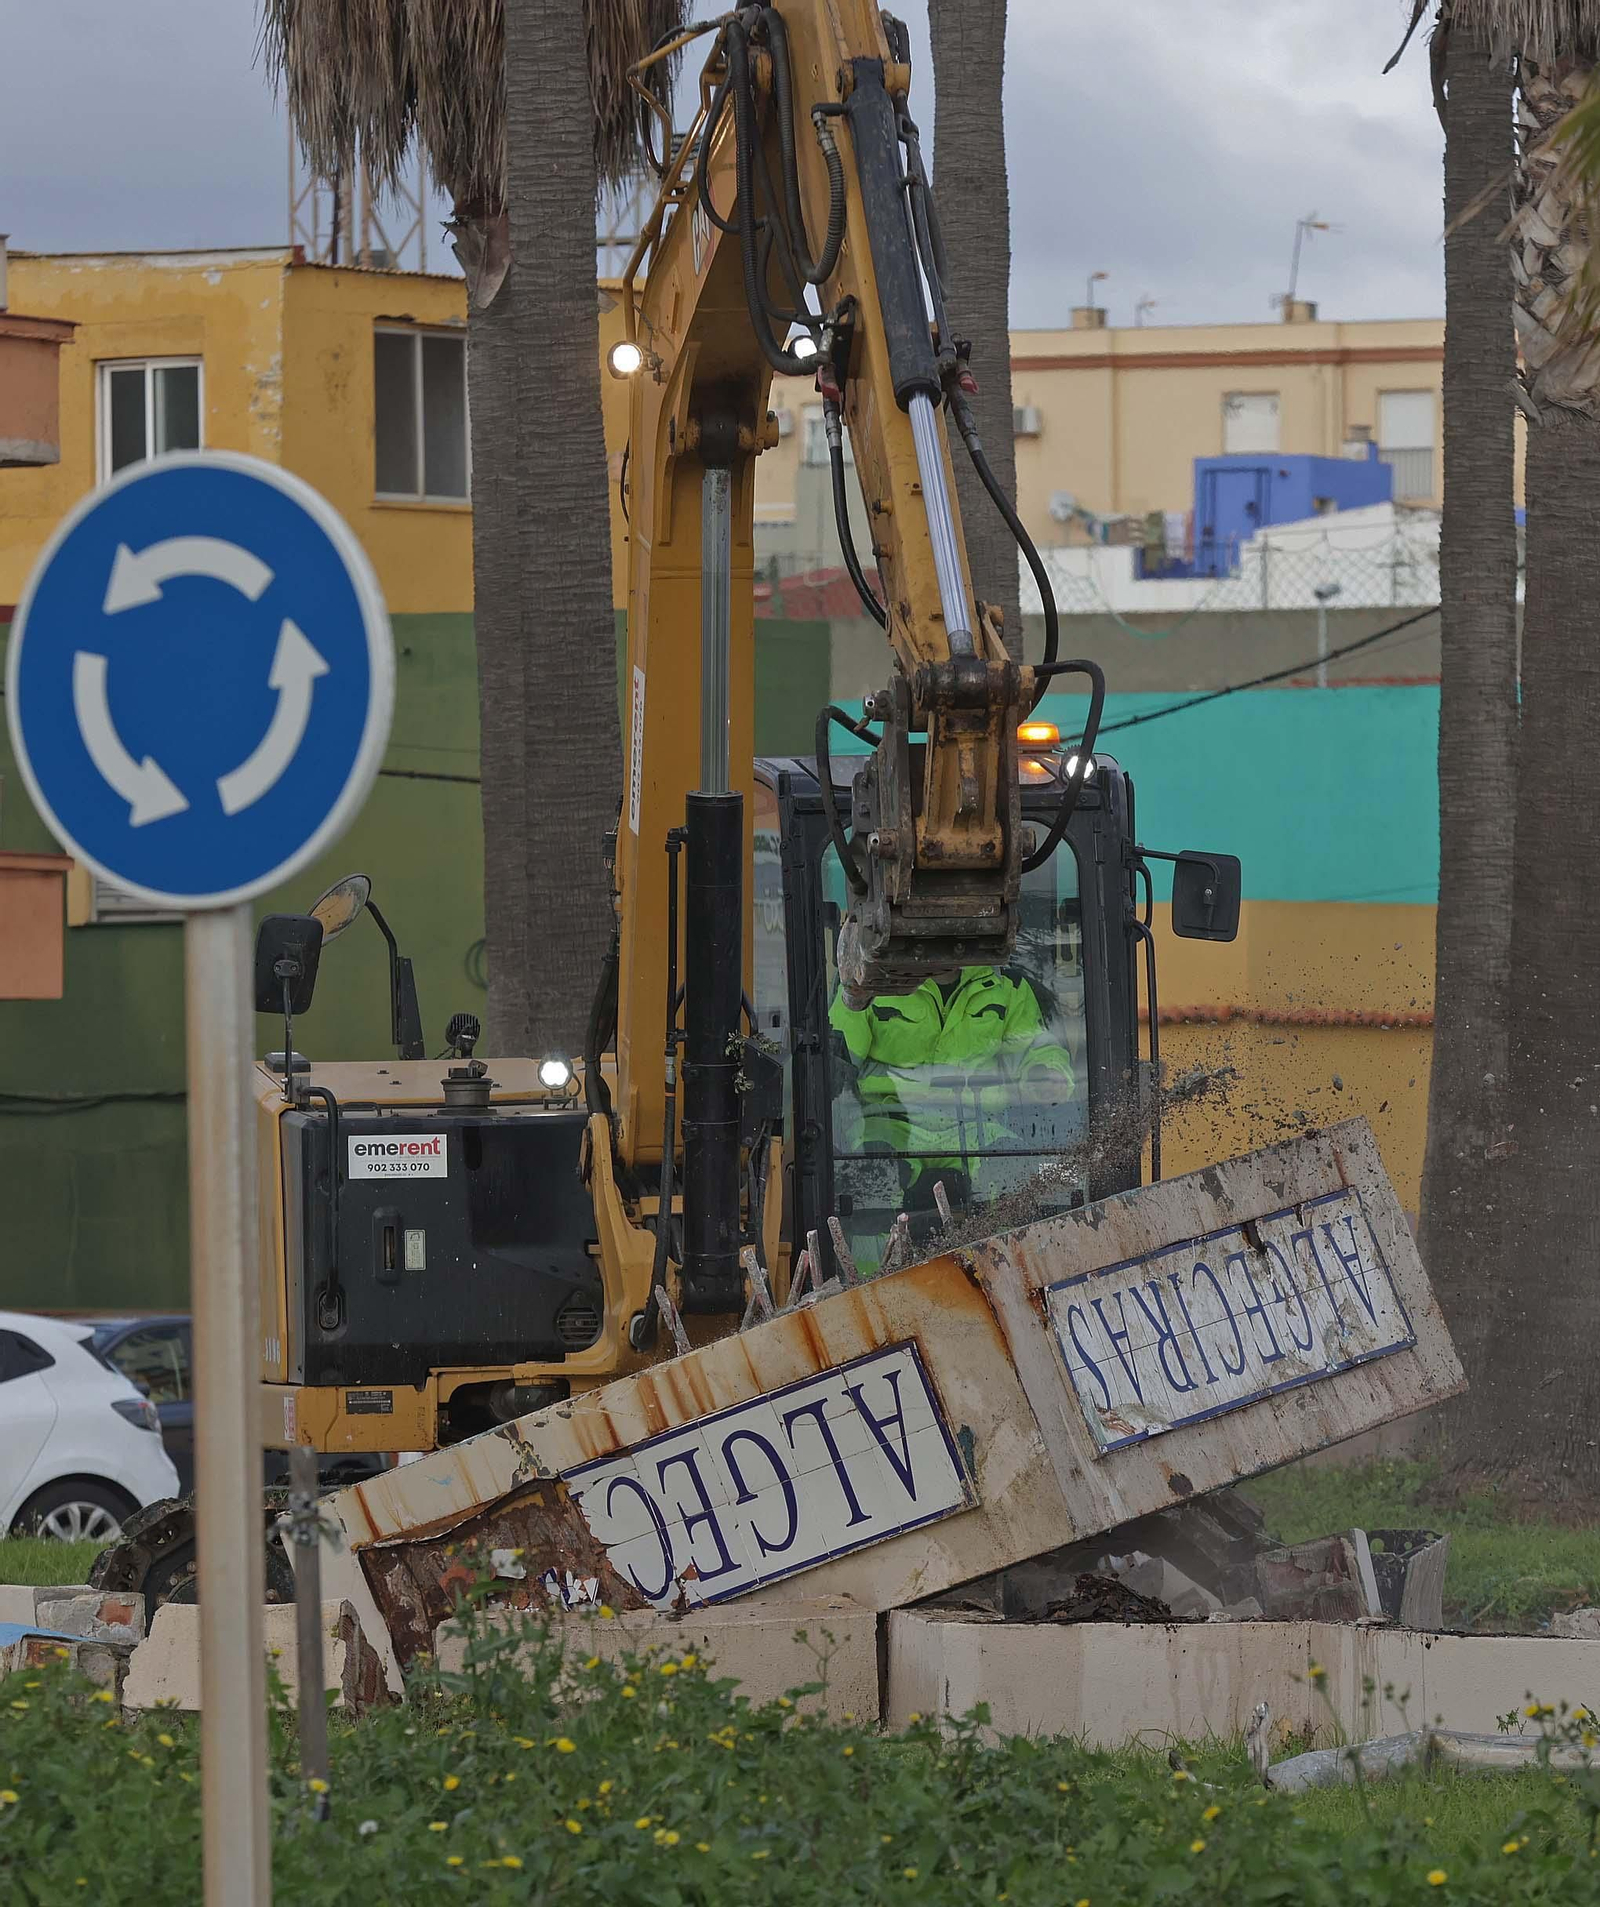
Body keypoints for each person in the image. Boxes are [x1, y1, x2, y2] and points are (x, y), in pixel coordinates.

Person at [829, 964, 1077, 1207]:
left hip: (976, 1128)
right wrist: (836, 1077)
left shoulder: (1006, 986)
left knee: (1015, 1182)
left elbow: (1037, 1049)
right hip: (888, 1123)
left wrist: (1046, 1074)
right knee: (870, 1192)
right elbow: (837, 1057)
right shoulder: (865, 983)